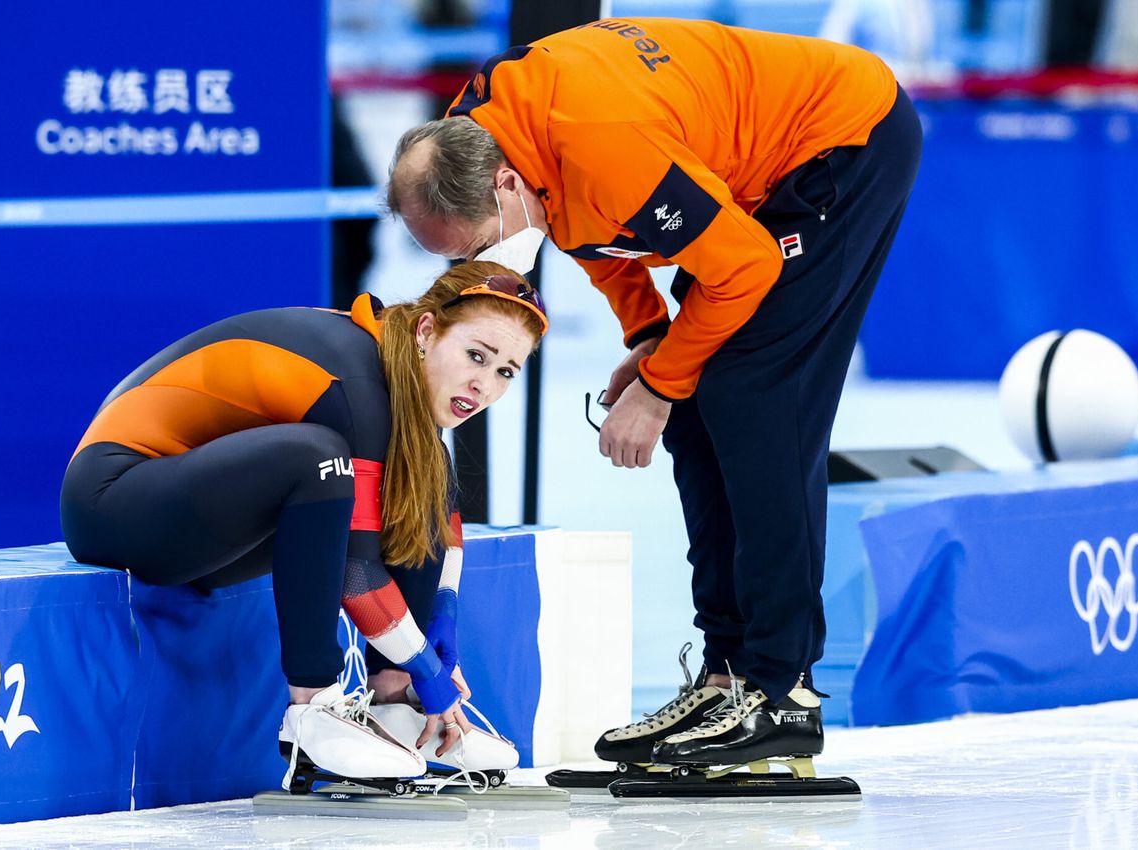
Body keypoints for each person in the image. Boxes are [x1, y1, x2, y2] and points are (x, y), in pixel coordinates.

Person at [386, 18, 922, 771]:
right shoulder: (482, 136)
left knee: (752, 391)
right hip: (733, 162)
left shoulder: (601, 142)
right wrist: (647, 338)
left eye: (478, 246)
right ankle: (729, 673)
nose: (484, 267)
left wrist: (660, 386)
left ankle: (781, 691)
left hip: (841, 140)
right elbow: (584, 229)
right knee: (701, 396)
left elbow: (744, 267)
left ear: (504, 183)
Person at [61, 261, 548, 783]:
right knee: (319, 460)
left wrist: (438, 632)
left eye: (505, 372)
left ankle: (393, 703)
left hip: (202, 530)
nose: (484, 386)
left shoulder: (395, 377)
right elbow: (355, 573)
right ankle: (311, 709)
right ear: (426, 331)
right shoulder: (356, 384)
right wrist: (429, 667)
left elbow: (443, 523)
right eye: (477, 356)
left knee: (424, 465)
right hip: (112, 503)